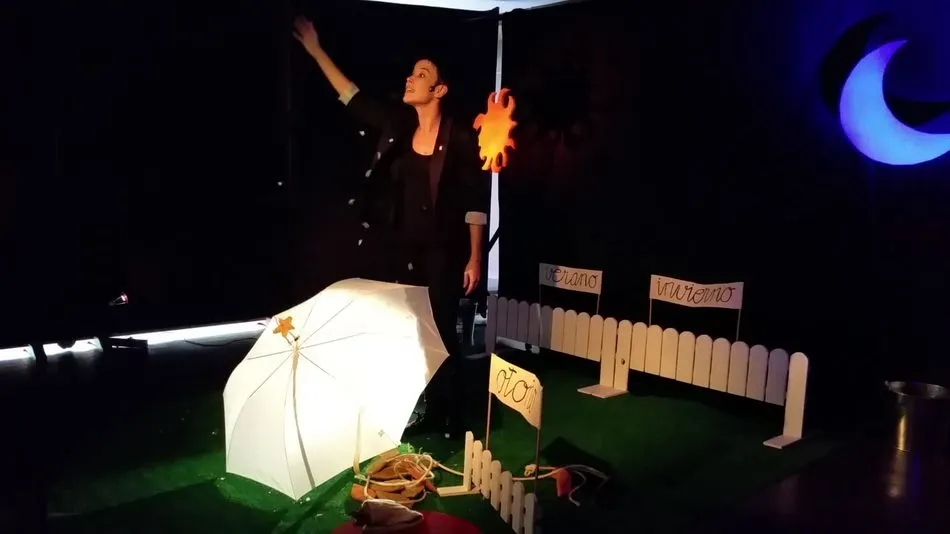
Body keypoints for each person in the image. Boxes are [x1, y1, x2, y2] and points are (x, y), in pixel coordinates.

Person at [293, 17, 489, 438]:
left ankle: (454, 415)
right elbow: (352, 96)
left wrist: (475, 257)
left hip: (443, 252)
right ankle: (429, 409)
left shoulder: (458, 139)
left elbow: (476, 203)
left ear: (439, 90)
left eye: (422, 75)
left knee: (443, 331)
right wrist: (315, 49)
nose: (410, 78)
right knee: (416, 332)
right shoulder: (399, 127)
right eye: (412, 72)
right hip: (405, 250)